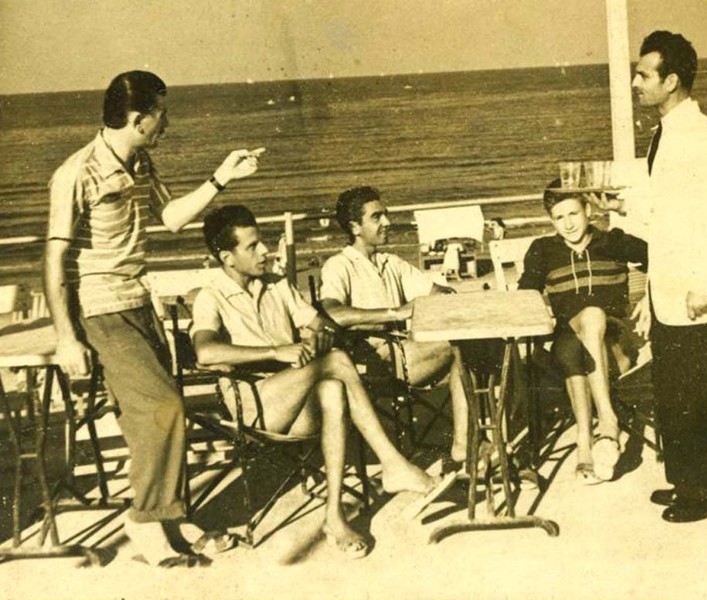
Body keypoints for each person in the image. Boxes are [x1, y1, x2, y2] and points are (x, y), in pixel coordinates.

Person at [43, 71, 264, 566]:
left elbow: (171, 219)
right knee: (161, 410)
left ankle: (174, 515)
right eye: (162, 113)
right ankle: (144, 523)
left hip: (140, 302)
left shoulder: (141, 161)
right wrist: (65, 337)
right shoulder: (77, 172)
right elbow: (53, 260)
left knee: (166, 413)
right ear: (139, 119)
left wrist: (221, 177)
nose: (167, 122)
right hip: (101, 309)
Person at [190, 205, 440, 559]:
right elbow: (205, 352)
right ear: (227, 257)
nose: (265, 252)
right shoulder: (210, 296)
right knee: (337, 363)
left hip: (299, 399)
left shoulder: (276, 285)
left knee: (332, 387)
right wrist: (278, 351)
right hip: (256, 406)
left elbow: (319, 324)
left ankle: (334, 516)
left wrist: (315, 339)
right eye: (253, 247)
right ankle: (393, 464)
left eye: (262, 242)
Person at [589, 31, 707, 522]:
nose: (635, 82)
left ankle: (704, 491)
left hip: (693, 289)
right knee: (674, 389)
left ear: (671, 81)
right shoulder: (666, 131)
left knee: (693, 394)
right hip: (667, 286)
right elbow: (667, 205)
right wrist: (621, 206)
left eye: (643, 75)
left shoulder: (701, 134)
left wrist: (705, 285)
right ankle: (687, 480)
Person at [319, 186, 470, 473]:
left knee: (473, 348)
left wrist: (432, 302)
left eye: (385, 215)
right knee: (464, 347)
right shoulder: (339, 266)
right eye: (376, 217)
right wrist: (394, 313)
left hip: (410, 352)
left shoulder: (392, 263)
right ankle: (468, 442)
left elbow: (440, 292)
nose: (387, 222)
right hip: (380, 363)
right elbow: (333, 312)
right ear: (355, 227)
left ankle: (470, 440)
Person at [519, 182, 648, 483]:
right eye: (559, 217)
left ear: (588, 211)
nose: (568, 223)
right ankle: (602, 429)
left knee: (591, 318)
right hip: (568, 339)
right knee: (572, 340)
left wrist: (650, 296)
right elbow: (525, 296)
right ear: (551, 221)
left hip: (616, 342)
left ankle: (588, 439)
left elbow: (664, 257)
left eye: (574, 213)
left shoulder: (613, 241)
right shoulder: (543, 250)